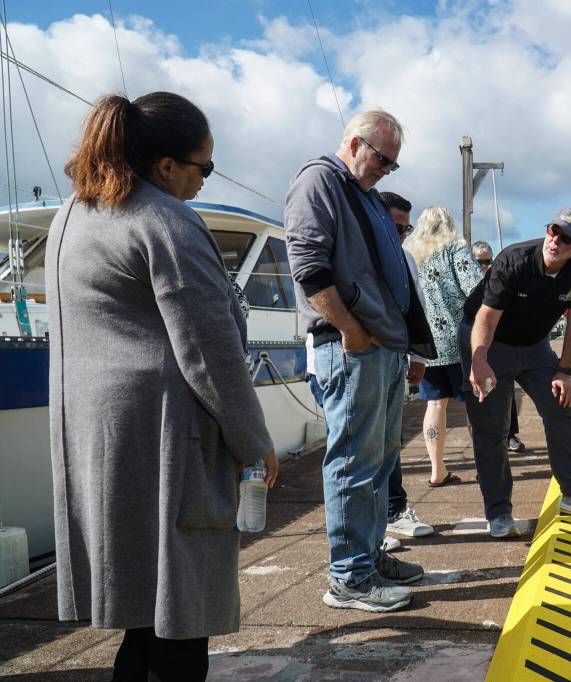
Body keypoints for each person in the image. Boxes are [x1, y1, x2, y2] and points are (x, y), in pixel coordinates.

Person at [46, 92, 278, 681]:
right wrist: (255, 442)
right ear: (167, 165)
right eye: (205, 166)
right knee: (182, 612)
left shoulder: (72, 216)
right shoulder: (169, 220)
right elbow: (209, 351)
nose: (206, 179)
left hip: (96, 437)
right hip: (168, 436)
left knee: (142, 615)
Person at [284, 110, 436, 613]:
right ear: (354, 144)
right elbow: (308, 265)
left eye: (393, 165)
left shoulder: (364, 194)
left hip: (382, 347)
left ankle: (368, 559)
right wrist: (352, 330)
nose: (385, 170)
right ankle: (349, 577)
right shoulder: (319, 182)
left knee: (379, 461)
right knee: (353, 462)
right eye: (381, 159)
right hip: (353, 346)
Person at [461, 209, 571, 538]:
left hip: (534, 343)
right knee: (492, 427)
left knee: (562, 406)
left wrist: (565, 371)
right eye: (553, 230)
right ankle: (498, 512)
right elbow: (485, 318)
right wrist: (479, 360)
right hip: (490, 340)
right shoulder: (514, 260)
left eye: (566, 237)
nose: (555, 240)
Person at [405, 208, 483, 487]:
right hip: (461, 341)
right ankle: (485, 466)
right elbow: (476, 289)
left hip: (425, 347)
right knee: (476, 405)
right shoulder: (455, 251)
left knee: (435, 405)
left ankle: (437, 470)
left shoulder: (412, 257)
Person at [379, 190, 435, 539]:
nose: (401, 236)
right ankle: (370, 524)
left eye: (405, 229)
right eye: (394, 227)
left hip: (391, 359)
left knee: (388, 441)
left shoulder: (406, 260)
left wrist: (417, 356)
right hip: (353, 360)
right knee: (357, 449)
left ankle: (393, 509)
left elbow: (417, 306)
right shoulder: (356, 253)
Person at [472, 241, 525, 454]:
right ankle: (486, 445)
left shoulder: (500, 278)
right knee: (479, 393)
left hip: (501, 341)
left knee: (506, 389)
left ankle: (510, 435)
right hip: (477, 344)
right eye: (479, 262)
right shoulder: (468, 280)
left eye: (488, 261)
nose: (484, 266)